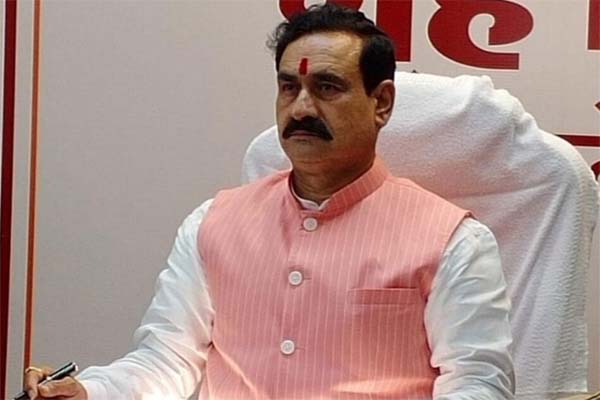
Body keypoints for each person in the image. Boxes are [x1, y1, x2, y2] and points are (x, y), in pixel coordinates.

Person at [23, 4, 514, 399]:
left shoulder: (452, 241)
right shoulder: (213, 223)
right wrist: (89, 391)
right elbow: (167, 360)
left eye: (327, 87)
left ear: (381, 103)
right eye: (288, 87)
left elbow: (478, 383)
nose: (301, 108)